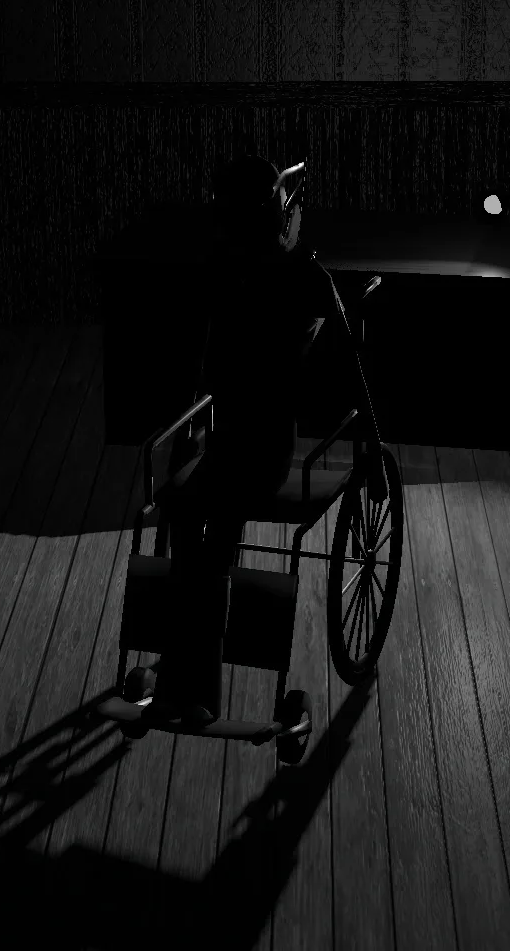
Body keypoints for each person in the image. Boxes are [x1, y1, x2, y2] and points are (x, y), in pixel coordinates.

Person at [150, 155, 340, 723]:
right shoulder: (276, 272)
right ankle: (185, 675)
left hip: (254, 448)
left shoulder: (248, 273)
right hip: (239, 444)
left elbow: (218, 366)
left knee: (204, 536)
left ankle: (192, 683)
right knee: (193, 528)